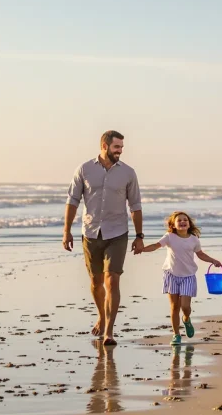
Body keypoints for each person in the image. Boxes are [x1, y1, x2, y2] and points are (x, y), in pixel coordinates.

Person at [63, 130, 144, 346]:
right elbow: (72, 201)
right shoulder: (84, 169)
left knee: (112, 279)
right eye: (116, 147)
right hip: (90, 232)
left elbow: (135, 205)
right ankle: (101, 314)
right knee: (96, 282)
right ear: (104, 146)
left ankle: (109, 331)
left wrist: (139, 236)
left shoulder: (128, 173)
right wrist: (66, 231)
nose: (120, 151)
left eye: (121, 148)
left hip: (117, 233)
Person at [138, 211, 221, 345]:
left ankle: (186, 319)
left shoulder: (194, 239)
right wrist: (142, 249)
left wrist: (213, 260)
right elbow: (156, 246)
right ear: (174, 225)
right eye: (179, 220)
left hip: (188, 276)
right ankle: (176, 335)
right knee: (174, 306)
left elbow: (200, 254)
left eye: (185, 220)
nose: (182, 222)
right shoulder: (169, 237)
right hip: (171, 275)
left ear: (189, 224)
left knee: (185, 307)